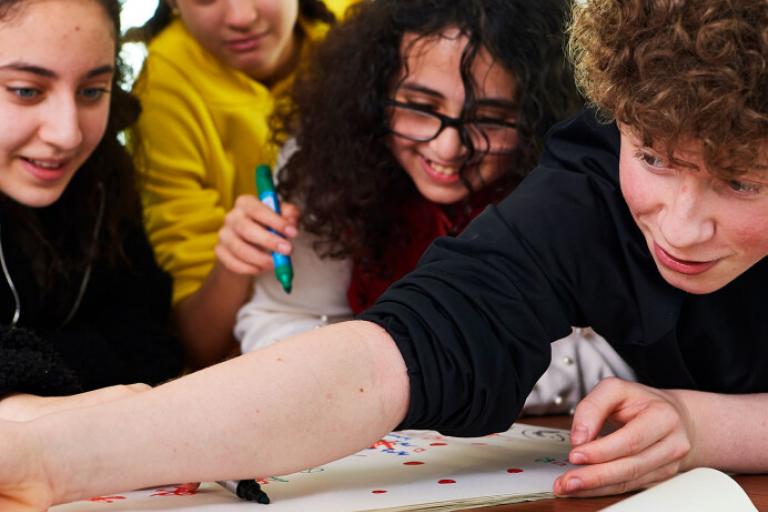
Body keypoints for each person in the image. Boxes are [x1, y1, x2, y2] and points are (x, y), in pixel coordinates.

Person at [2, 0, 768, 508]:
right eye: (655, 157)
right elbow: (400, 350)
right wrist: (54, 449)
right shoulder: (589, 185)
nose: (679, 227)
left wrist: (713, 427)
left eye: (739, 180)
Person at [233, 0, 635, 415]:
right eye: (422, 108)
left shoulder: (583, 187)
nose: (448, 148)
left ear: (538, 119)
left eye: (492, 118)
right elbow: (279, 320)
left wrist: (387, 380)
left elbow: (622, 362)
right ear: (373, 94)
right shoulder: (326, 162)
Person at [127, 0, 354, 369]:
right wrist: (233, 261)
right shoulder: (162, 86)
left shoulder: (360, 32)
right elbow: (197, 345)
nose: (241, 18)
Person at [0, 0, 182, 422]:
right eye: (26, 90)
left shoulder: (104, 175)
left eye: (91, 91)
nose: (68, 133)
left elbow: (152, 347)